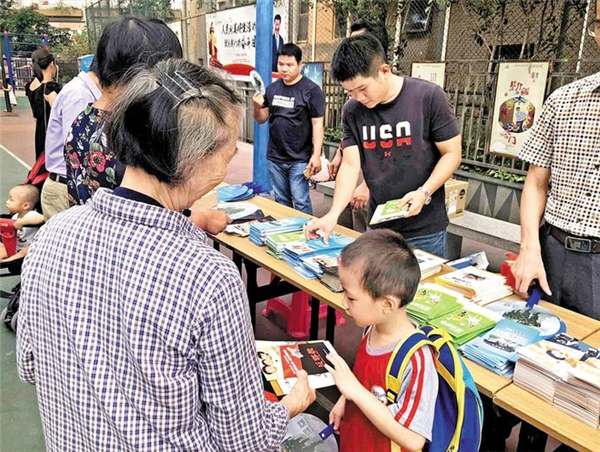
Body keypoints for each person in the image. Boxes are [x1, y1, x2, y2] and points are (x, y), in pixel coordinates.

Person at [17, 58, 315, 451]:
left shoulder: (51, 236)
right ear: (193, 161)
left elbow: (30, 364)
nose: (227, 169)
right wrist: (291, 404)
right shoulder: (209, 278)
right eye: (227, 155)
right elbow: (243, 439)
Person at [306, 35, 461, 257]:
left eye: (363, 88)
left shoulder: (428, 97)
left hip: (425, 228)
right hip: (379, 227)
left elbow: (452, 154)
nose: (359, 97)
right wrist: (332, 215)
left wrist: (424, 192)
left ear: (384, 71)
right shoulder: (352, 111)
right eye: (350, 92)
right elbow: (350, 166)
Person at [512, 0, 600, 322]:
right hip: (552, 254)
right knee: (537, 342)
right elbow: (536, 183)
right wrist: (528, 248)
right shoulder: (563, 100)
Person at [324, 229, 438, 452]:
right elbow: (363, 381)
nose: (344, 303)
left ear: (387, 304)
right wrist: (344, 400)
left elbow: (414, 440)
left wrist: (355, 392)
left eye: (351, 297)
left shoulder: (416, 360)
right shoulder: (371, 328)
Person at [328, 19, 390, 232]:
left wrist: (367, 185)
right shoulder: (355, 100)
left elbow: (392, 154)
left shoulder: (383, 91)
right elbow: (353, 136)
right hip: (358, 166)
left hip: (379, 187)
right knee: (345, 218)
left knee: (362, 218)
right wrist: (340, 152)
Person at [253, 43, 325, 214]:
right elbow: (262, 119)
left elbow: (318, 124)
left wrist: (316, 155)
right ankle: (285, 230)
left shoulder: (312, 90)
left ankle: (306, 229)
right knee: (281, 201)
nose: (284, 69)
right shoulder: (272, 89)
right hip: (275, 157)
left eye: (290, 65)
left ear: (300, 65)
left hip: (300, 158)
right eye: (281, 64)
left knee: (300, 200)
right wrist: (256, 106)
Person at [41, 56, 102, 219]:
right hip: (66, 187)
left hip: (70, 184)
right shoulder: (80, 95)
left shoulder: (83, 91)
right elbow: (77, 149)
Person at [25, 49, 61, 160]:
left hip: (40, 132)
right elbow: (60, 115)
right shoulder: (50, 89)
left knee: (41, 163)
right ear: (51, 64)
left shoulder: (31, 86)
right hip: (52, 135)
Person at [1, 184, 45, 263]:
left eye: (11, 200)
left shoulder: (31, 214)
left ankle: (7, 261)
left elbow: (42, 218)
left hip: (29, 248)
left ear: (25, 205)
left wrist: (22, 222)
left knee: (26, 250)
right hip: (15, 245)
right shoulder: (15, 216)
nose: (7, 202)